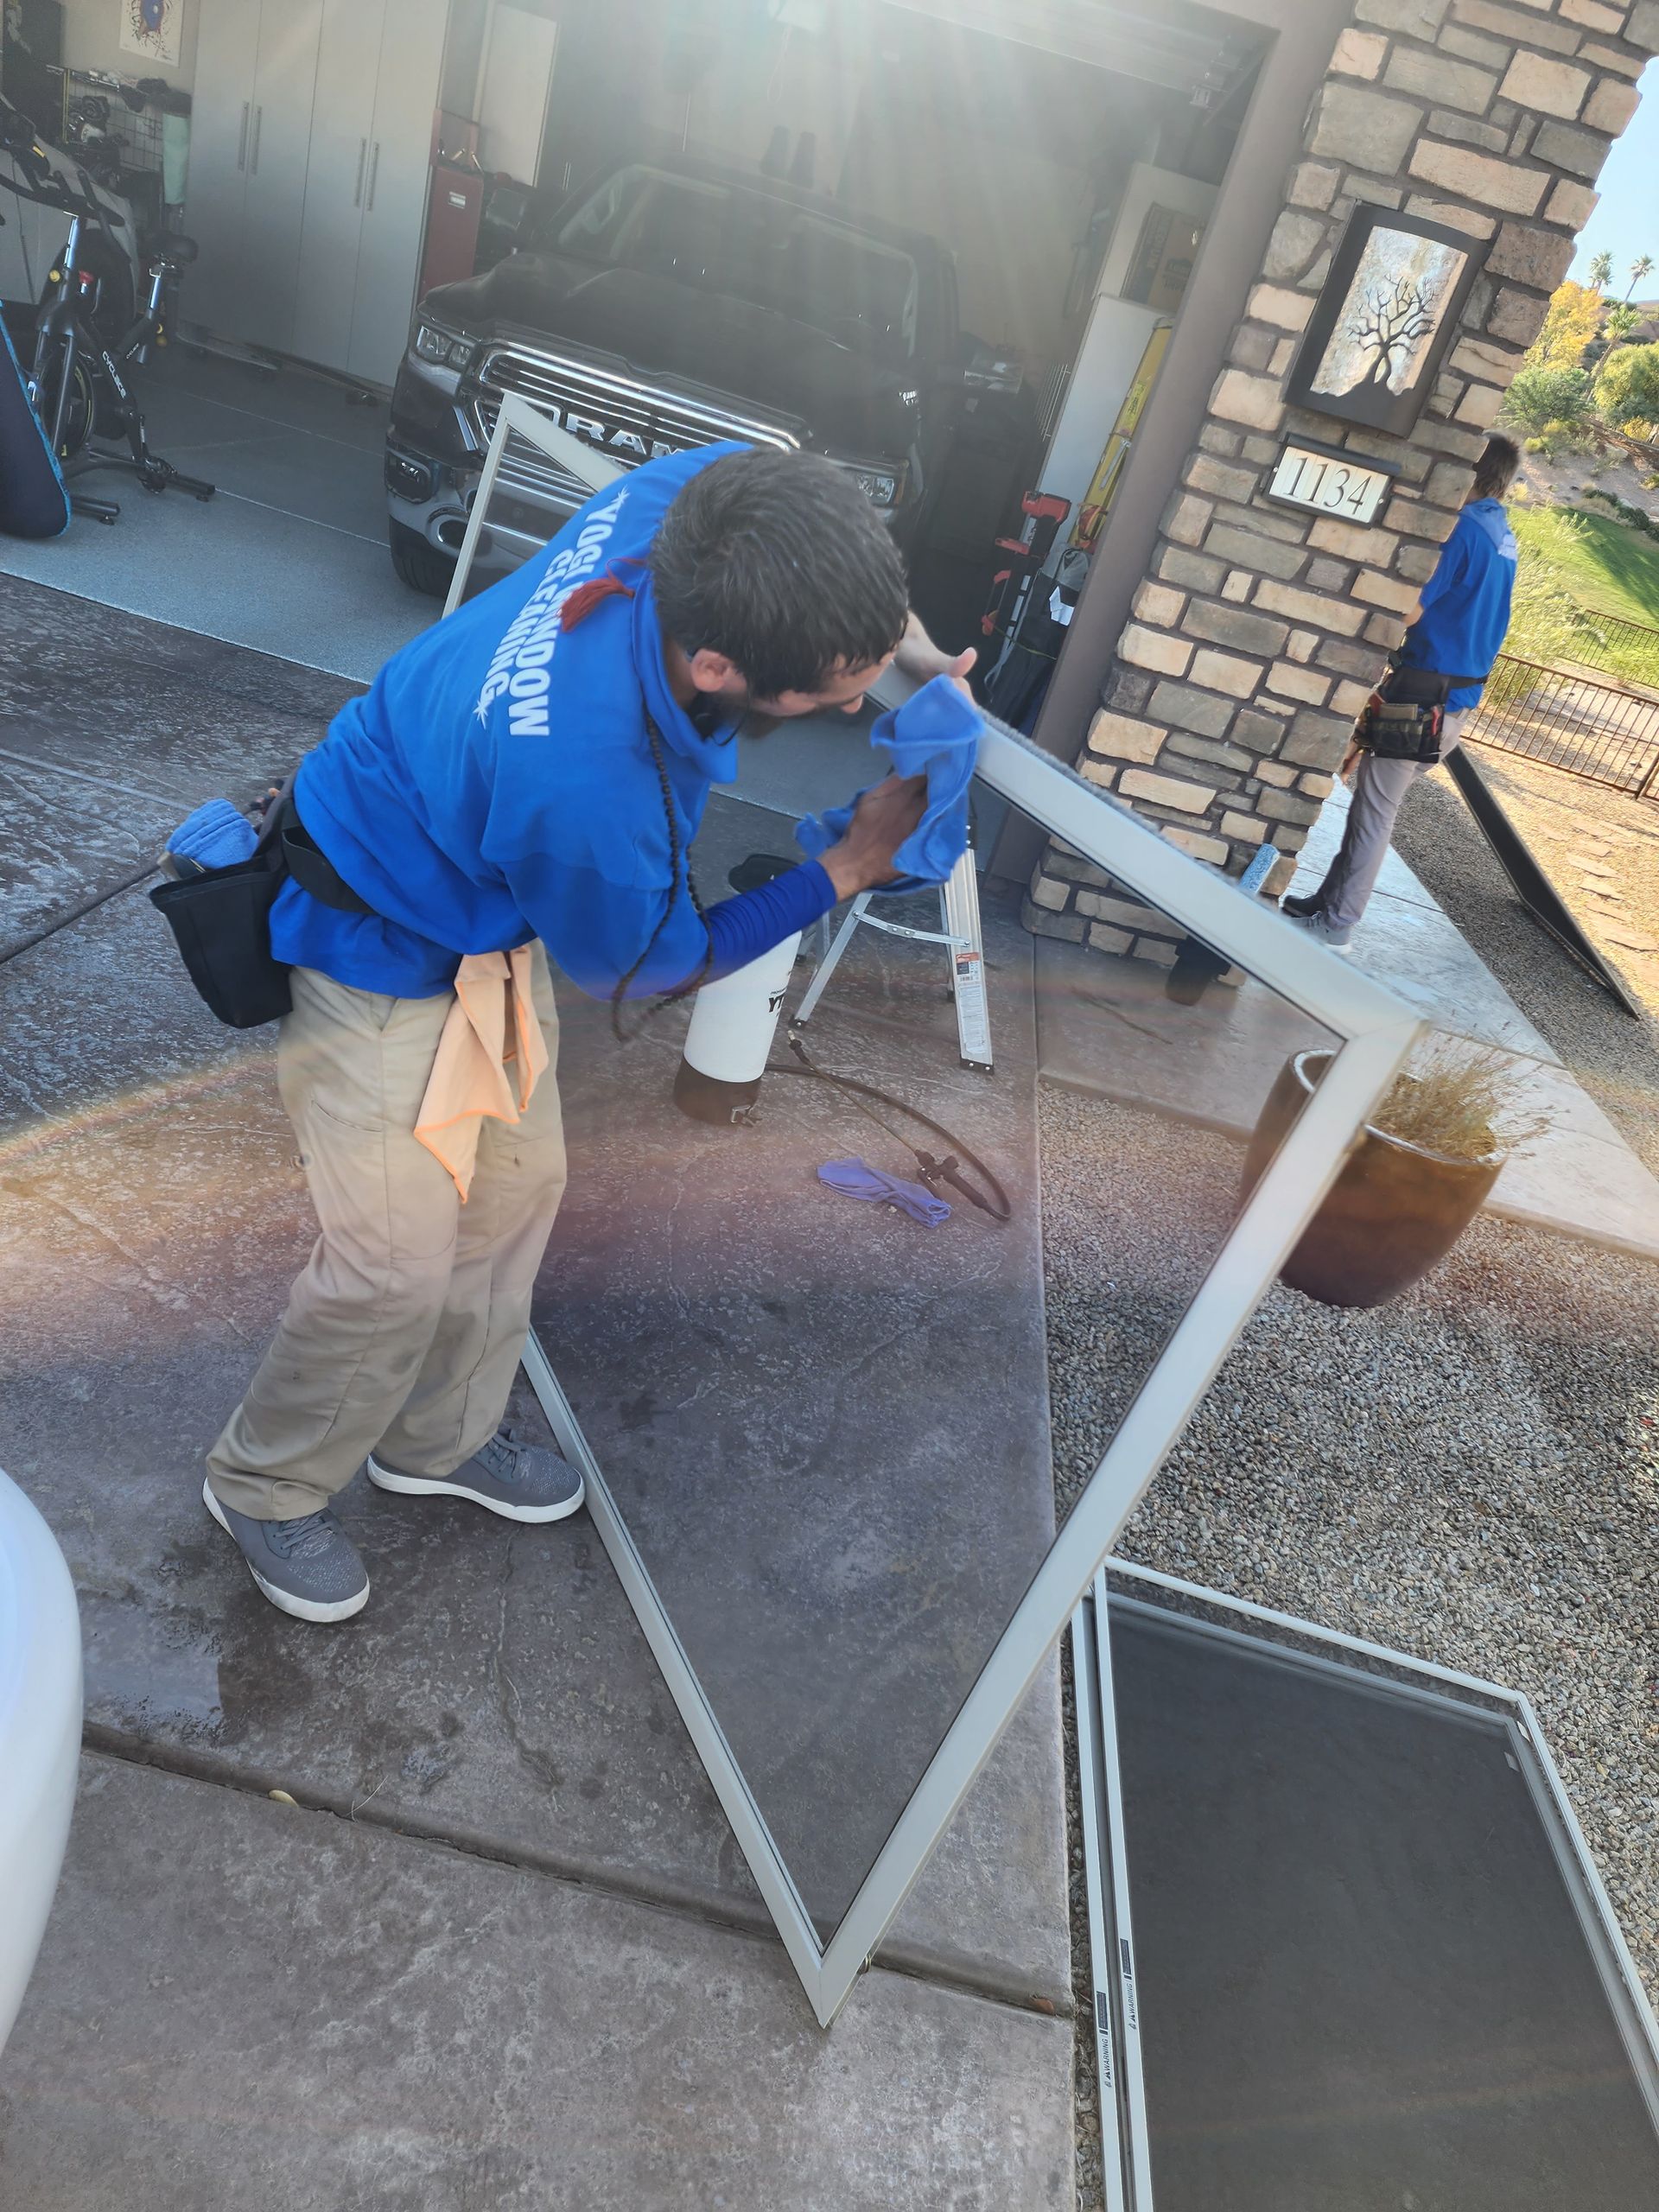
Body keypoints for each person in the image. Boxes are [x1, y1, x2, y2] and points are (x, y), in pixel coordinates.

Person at [203, 442, 975, 1623]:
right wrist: (851, 863)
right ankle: (264, 1484)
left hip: (478, 908)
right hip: (371, 936)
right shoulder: (591, 791)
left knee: (517, 1189)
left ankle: (436, 1441)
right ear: (718, 664)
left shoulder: (693, 507)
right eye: (832, 685)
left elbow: (791, 500)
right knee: (394, 1266)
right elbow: (668, 960)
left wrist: (915, 658)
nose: (854, 702)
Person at [1282, 435, 1520, 950]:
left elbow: (1414, 610)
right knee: (1371, 800)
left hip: (1425, 696)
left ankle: (1338, 923)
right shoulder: (1503, 535)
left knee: (1374, 809)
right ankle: (1326, 902)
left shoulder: (1462, 530)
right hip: (1451, 699)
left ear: (1470, 474)